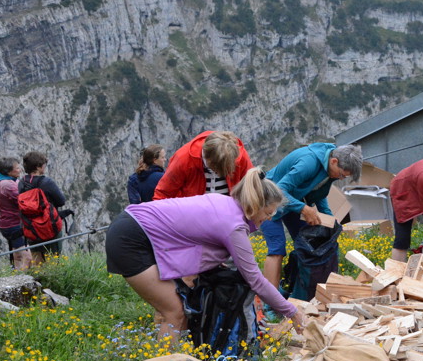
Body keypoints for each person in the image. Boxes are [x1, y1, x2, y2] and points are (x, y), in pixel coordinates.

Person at [105, 168, 306, 345]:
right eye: (268, 213)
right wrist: (292, 311)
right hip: (130, 240)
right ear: (255, 204)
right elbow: (255, 280)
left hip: (132, 228)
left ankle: (173, 358)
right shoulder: (233, 226)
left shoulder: (226, 203)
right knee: (175, 312)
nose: (269, 219)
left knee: (176, 305)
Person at [260, 143, 363, 288]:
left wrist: (330, 219)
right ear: (334, 161)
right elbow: (280, 190)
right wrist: (303, 208)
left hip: (290, 201)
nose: (340, 178)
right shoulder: (308, 162)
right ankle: (269, 303)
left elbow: (318, 193)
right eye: (341, 175)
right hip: (268, 200)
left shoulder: (328, 167)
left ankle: (298, 290)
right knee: (277, 249)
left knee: (307, 242)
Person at [153, 130, 253, 199]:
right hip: (191, 221)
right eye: (218, 169)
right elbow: (163, 193)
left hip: (230, 221)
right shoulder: (183, 159)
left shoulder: (240, 156)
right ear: (208, 159)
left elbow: (253, 189)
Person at [18, 151, 68, 265]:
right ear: (38, 167)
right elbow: (61, 201)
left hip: (31, 227)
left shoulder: (22, 183)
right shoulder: (46, 182)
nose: (45, 167)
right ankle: (54, 279)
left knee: (37, 260)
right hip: (49, 226)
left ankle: (39, 281)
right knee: (54, 260)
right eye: (43, 165)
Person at [0, 156, 32, 271]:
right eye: (16, 168)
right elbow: (23, 200)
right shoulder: (8, 185)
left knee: (18, 257)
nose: (20, 169)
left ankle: (16, 276)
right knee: (27, 257)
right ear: (9, 171)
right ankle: (22, 281)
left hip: (8, 225)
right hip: (13, 225)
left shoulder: (5, 182)